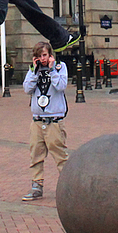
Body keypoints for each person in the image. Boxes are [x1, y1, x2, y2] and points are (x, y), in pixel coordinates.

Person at [21, 41, 70, 202]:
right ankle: (37, 186)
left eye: (45, 55)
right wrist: (34, 71)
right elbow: (27, 88)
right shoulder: (33, 70)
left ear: (50, 55)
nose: (42, 59)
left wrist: (51, 70)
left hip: (54, 120)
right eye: (39, 56)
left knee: (60, 155)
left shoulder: (59, 67)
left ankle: (69, 186)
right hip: (37, 120)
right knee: (35, 155)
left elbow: (61, 85)